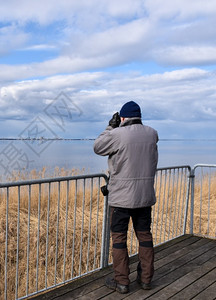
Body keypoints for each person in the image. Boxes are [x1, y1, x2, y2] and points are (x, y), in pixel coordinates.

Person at [93, 101, 158, 294]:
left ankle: (121, 281)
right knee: (144, 235)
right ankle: (146, 279)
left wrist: (110, 127)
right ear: (139, 117)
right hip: (145, 197)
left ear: (122, 118)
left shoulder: (117, 134)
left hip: (121, 198)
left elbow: (98, 147)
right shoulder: (152, 133)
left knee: (119, 238)